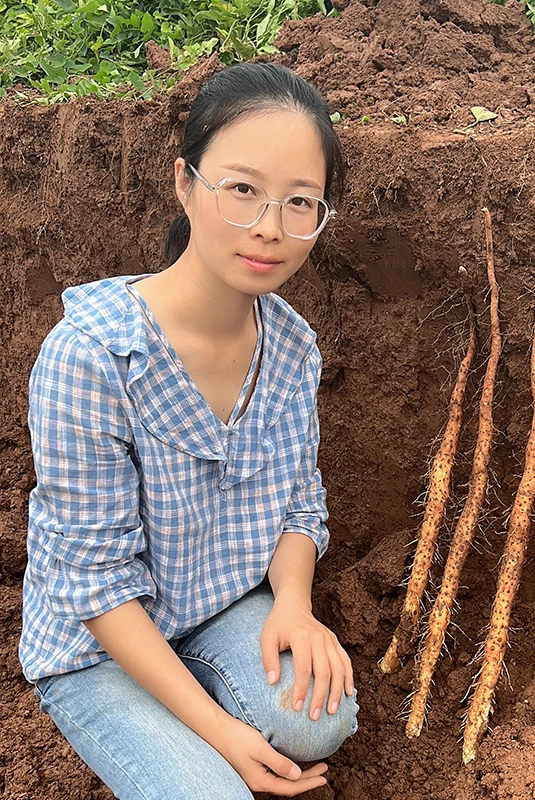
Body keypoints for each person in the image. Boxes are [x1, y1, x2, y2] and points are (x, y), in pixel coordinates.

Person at [18, 62, 359, 799]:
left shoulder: (292, 347)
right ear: (185, 183)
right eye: (242, 189)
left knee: (318, 720)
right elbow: (98, 585)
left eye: (301, 202)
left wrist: (293, 606)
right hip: (99, 646)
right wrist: (222, 735)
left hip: (214, 608)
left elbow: (301, 502)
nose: (269, 228)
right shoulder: (92, 357)